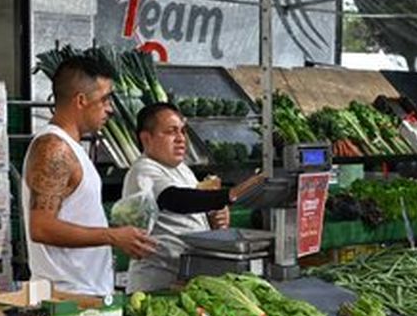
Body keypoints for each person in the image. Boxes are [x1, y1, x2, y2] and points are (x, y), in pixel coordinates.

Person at [23, 55, 155, 296]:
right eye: (105, 99)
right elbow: (41, 227)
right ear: (81, 100)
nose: (110, 109)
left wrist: (118, 233)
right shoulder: (55, 148)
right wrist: (112, 236)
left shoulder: (70, 147)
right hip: (67, 296)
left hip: (85, 293)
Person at [122, 103, 265, 292]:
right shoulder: (143, 170)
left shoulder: (183, 170)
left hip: (186, 279)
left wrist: (213, 219)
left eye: (182, 131)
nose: (181, 139)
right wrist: (230, 194)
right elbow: (175, 199)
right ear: (146, 138)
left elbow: (191, 212)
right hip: (156, 283)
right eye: (171, 132)